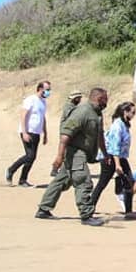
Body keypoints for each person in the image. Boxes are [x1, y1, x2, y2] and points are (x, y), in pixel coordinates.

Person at [35, 87, 108, 227]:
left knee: (62, 181)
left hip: (84, 153)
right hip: (75, 152)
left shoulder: (97, 114)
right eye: (105, 100)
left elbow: (100, 136)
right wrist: (59, 156)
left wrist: (105, 154)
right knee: (83, 181)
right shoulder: (82, 112)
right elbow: (65, 135)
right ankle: (86, 215)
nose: (106, 103)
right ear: (99, 99)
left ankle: (43, 209)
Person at [91, 101, 136, 218]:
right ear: (125, 112)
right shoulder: (117, 125)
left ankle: (128, 211)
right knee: (102, 183)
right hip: (111, 157)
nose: (134, 115)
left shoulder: (124, 124)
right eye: (132, 112)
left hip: (121, 157)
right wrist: (117, 165)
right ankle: (89, 207)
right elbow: (115, 146)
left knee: (130, 181)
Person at [6, 80, 51, 188]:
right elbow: (23, 115)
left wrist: (45, 133)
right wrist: (24, 132)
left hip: (36, 132)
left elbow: (42, 118)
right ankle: (11, 170)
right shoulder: (31, 100)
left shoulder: (43, 102)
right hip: (27, 131)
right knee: (29, 155)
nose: (49, 92)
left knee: (32, 157)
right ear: (40, 89)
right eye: (47, 90)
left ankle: (23, 180)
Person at [50, 91, 82, 177]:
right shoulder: (69, 107)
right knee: (62, 153)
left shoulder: (73, 107)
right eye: (79, 98)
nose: (80, 99)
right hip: (66, 133)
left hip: (69, 132)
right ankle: (55, 169)